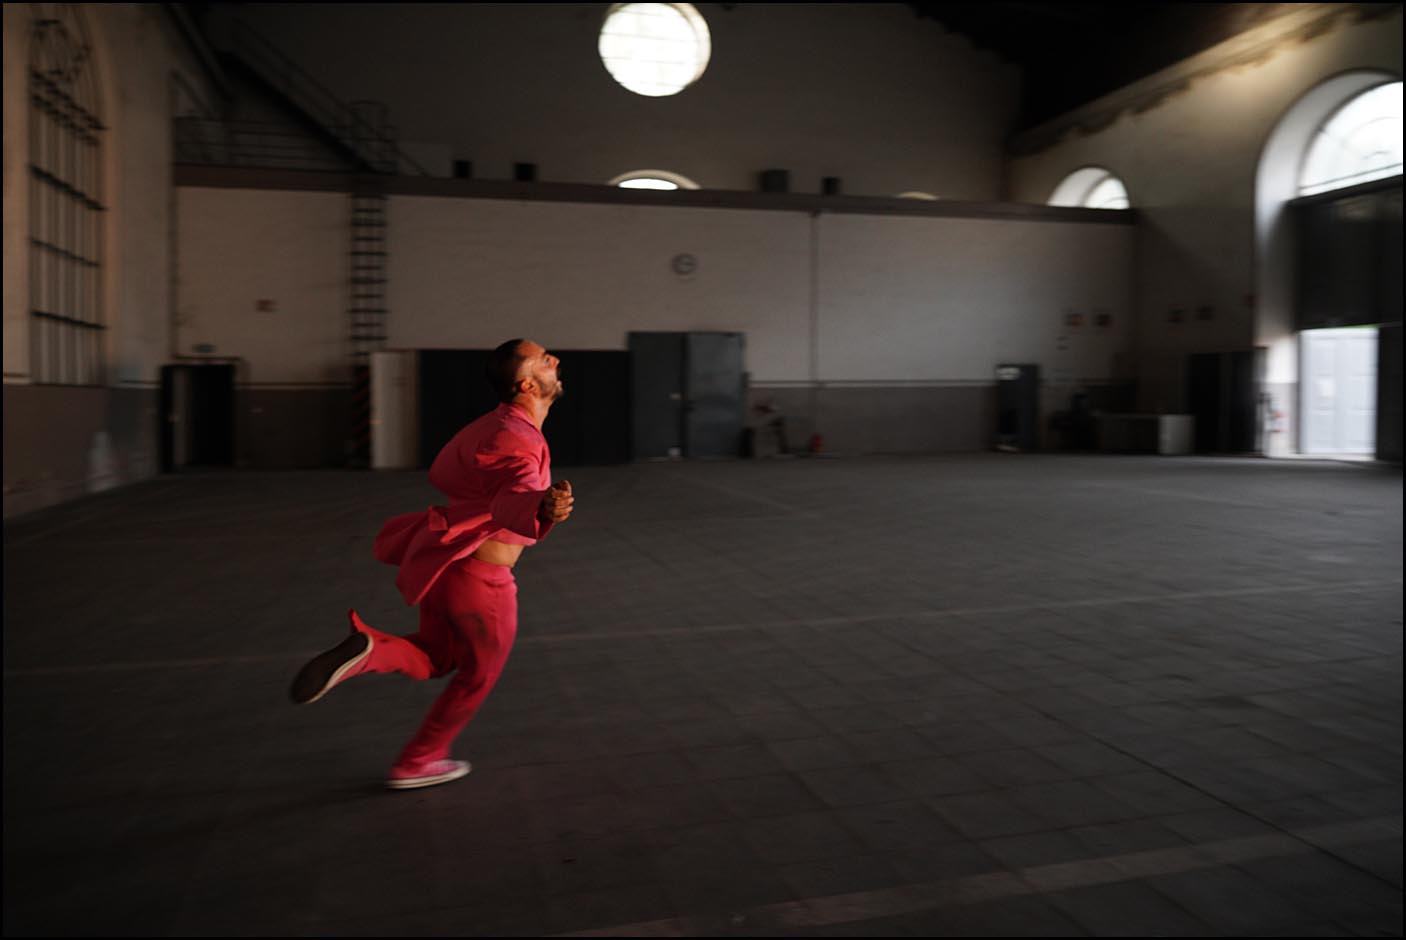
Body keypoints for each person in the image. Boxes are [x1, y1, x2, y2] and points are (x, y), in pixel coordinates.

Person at [290, 339, 574, 790]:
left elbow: (464, 475)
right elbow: (515, 487)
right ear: (526, 384)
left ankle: (371, 651)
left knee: (438, 657)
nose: (553, 360)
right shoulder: (515, 437)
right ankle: (418, 760)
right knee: (479, 675)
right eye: (543, 359)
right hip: (481, 582)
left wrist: (533, 502)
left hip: (451, 567)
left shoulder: (496, 425)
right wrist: (540, 506)